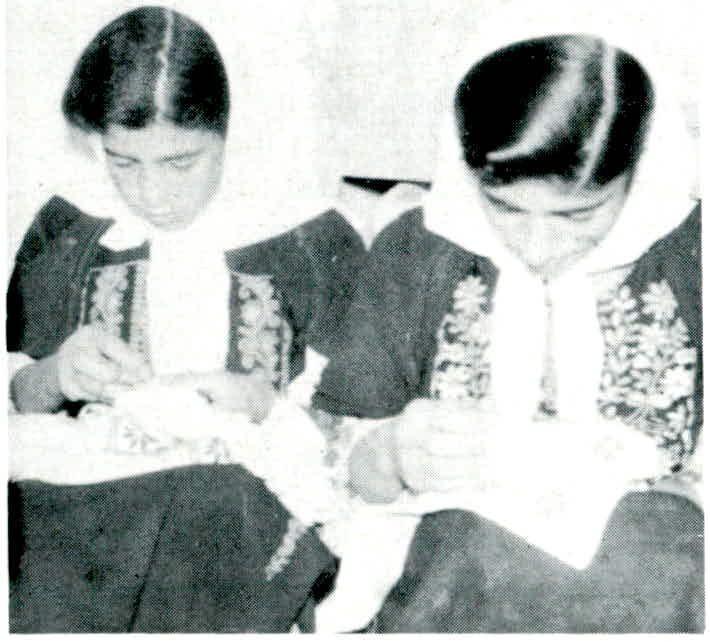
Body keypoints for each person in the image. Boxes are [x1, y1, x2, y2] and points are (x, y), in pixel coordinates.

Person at [314, 10, 702, 633]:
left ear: (640, 169)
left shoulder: (692, 257)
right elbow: (328, 459)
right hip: (460, 587)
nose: (537, 247)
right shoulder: (416, 252)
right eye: (505, 208)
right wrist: (390, 456)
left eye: (579, 216)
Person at [7, 6, 367, 632]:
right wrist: (58, 374)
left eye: (180, 163)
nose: (152, 193)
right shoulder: (70, 232)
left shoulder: (312, 241)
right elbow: (20, 397)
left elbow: (361, 437)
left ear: (229, 135)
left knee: (212, 501)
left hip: (234, 520)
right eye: (124, 163)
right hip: (89, 511)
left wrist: (264, 407)